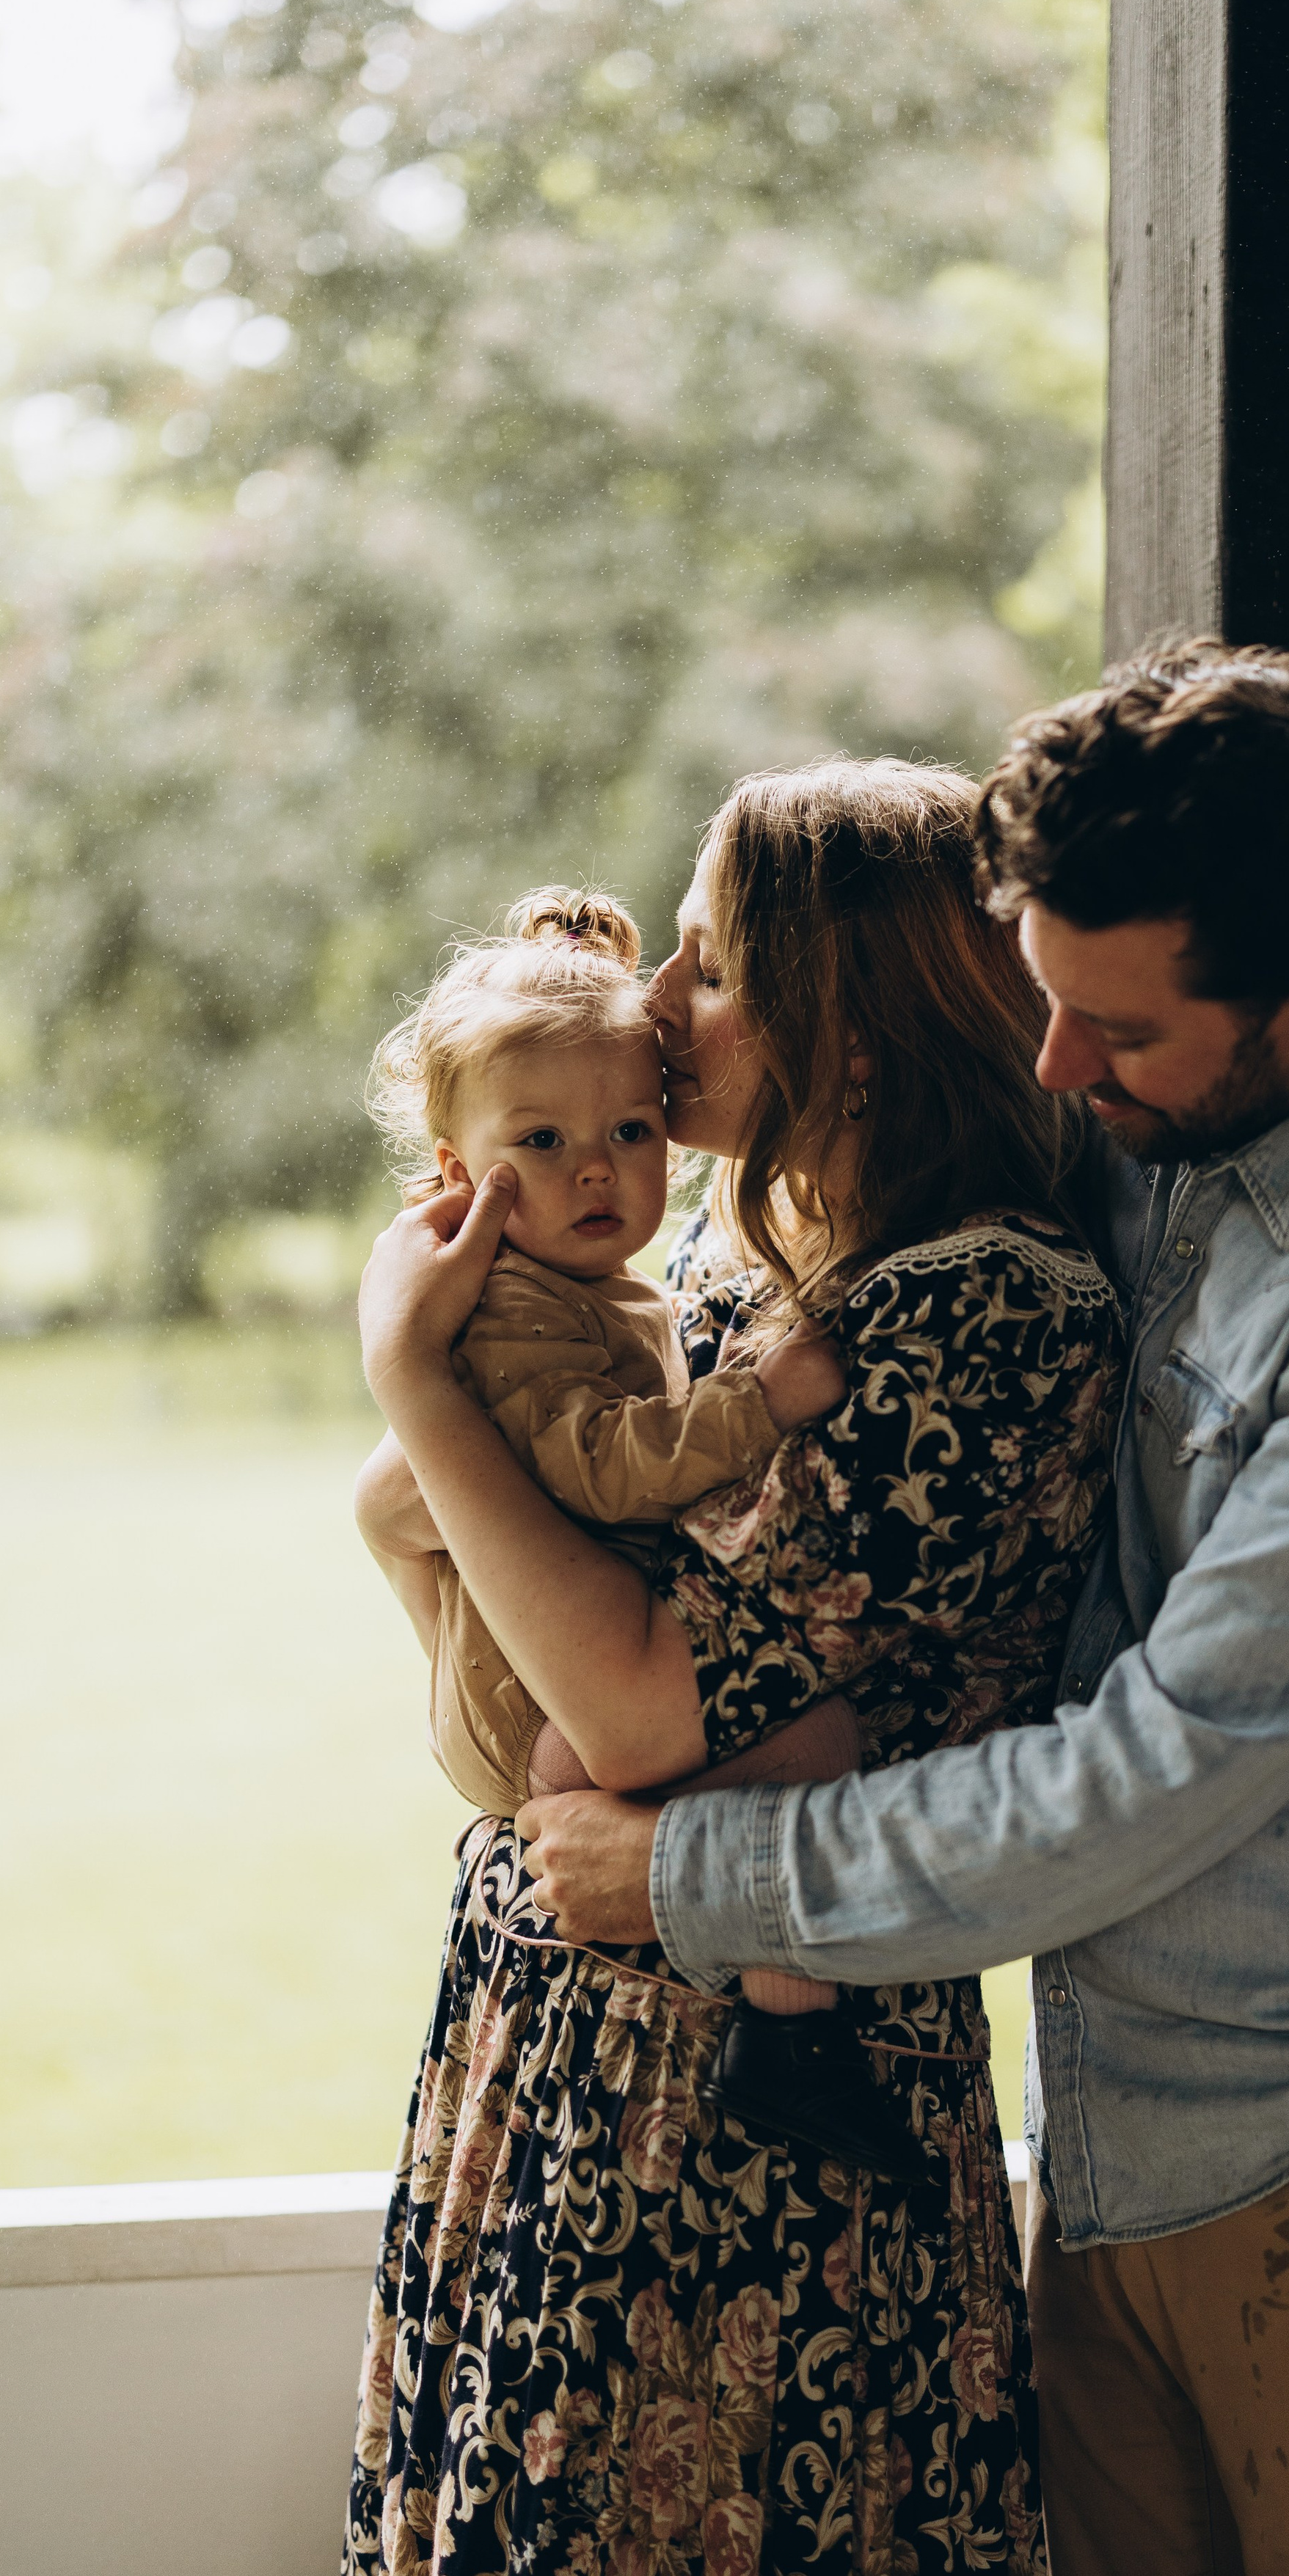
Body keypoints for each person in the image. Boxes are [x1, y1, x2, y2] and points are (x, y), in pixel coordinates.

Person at [517, 647, 1289, 2576]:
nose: (1055, 1067)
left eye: (1110, 1029)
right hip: (1123, 2143)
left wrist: (696, 1874)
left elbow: (1159, 1771)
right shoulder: (1169, 1119)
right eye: (1041, 998)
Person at [331, 757, 1124, 2576]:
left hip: (757, 2129)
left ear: (846, 1022)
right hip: (567, 2050)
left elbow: (631, 1711)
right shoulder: (732, 1261)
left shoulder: (978, 1309)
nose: (660, 1001)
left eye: (711, 961)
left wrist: (413, 1379)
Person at [356, 878, 919, 2177]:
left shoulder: (606, 1286)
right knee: (812, 1742)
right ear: (458, 1173)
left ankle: (789, 2032)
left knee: (809, 1741)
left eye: (629, 1128)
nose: (597, 1168)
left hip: (547, 1672)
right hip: (538, 1707)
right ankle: (795, 2044)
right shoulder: (510, 1310)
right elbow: (602, 1465)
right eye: (542, 1141)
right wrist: (758, 1401)